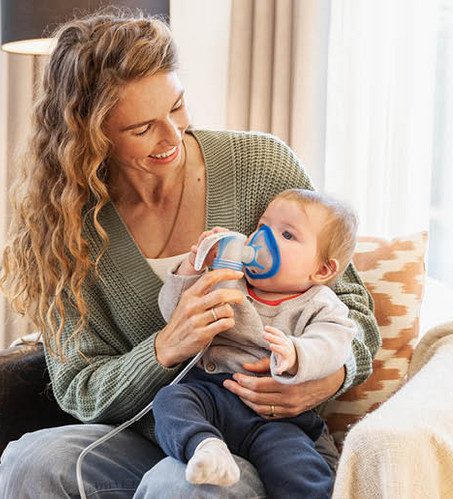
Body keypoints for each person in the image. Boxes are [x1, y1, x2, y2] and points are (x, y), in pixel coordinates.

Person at [0, 8, 380, 498]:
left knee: (178, 486)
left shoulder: (260, 165)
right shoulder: (64, 225)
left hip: (263, 440)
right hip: (155, 432)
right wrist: (164, 348)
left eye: (177, 107)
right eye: (141, 128)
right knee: (30, 461)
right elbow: (78, 388)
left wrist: (327, 378)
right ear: (89, 136)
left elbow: (353, 310)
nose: (172, 137)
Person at [152, 189, 360, 498]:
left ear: (322, 270)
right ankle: (205, 448)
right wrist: (194, 267)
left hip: (273, 417)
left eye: (287, 234)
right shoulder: (228, 277)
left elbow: (333, 345)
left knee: (298, 470)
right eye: (262, 226)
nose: (262, 239)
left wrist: (296, 354)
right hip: (210, 395)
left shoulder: (320, 305)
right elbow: (175, 313)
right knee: (169, 401)